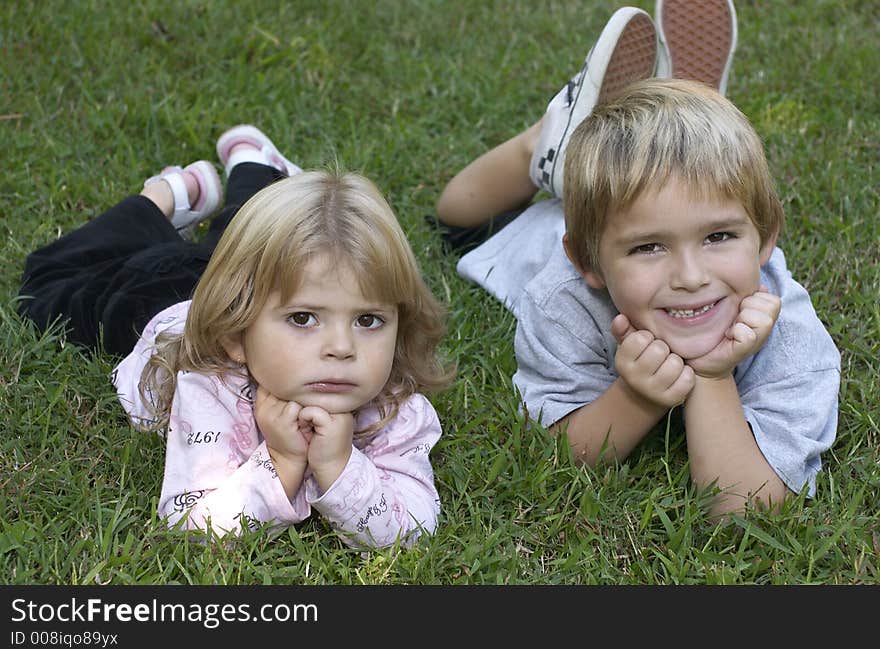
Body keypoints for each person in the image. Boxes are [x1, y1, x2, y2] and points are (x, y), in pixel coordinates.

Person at [433, 1, 840, 517]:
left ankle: (672, 128)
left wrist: (713, 377)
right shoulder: (564, 297)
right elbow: (559, 457)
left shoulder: (792, 333)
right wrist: (636, 398)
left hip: (621, 208)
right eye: (649, 247)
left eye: (718, 236)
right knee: (456, 218)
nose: (691, 278)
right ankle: (549, 141)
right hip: (536, 226)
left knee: (662, 191)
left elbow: (744, 509)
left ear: (766, 241)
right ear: (588, 262)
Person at [19, 126, 454, 548]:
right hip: (151, 294)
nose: (341, 348)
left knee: (238, 241)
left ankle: (253, 164)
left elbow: (415, 526)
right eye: (304, 318)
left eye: (368, 320)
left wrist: (341, 467)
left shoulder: (395, 408)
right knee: (46, 287)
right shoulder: (209, 387)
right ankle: (163, 199)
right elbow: (192, 524)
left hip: (254, 285)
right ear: (235, 336)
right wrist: (281, 462)